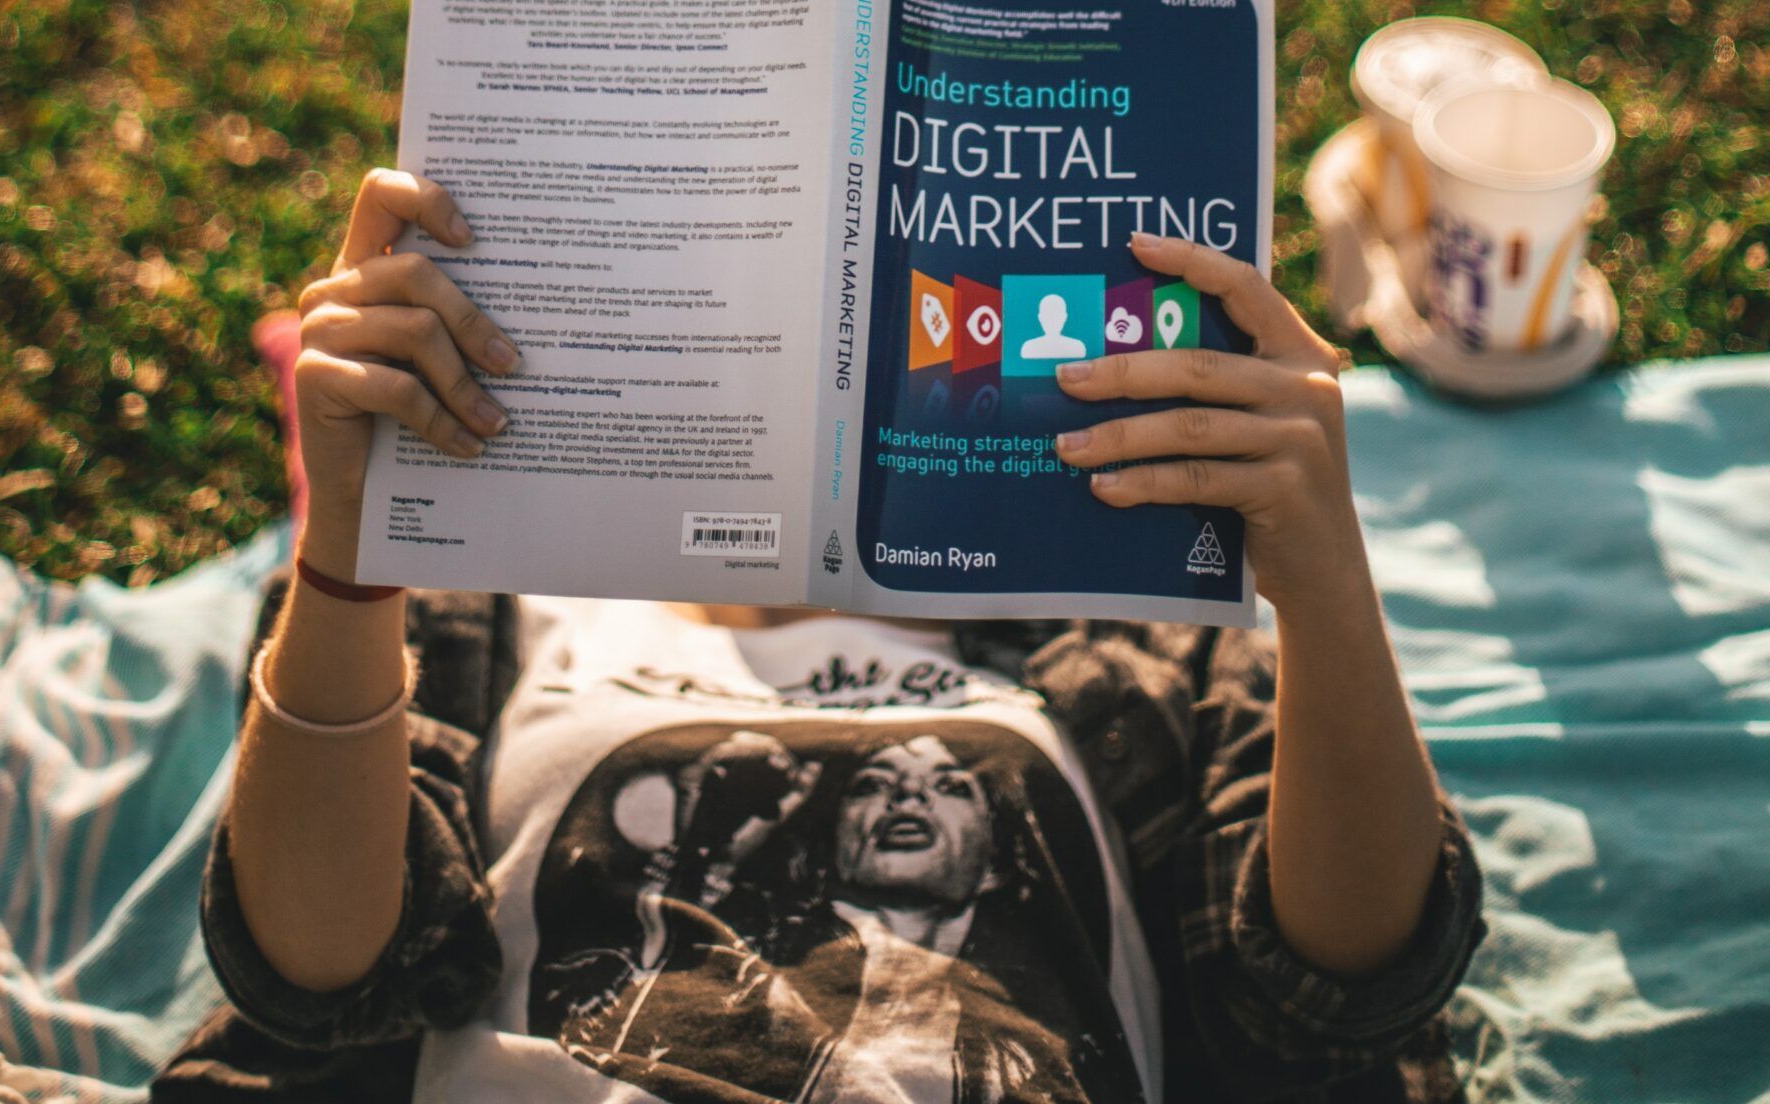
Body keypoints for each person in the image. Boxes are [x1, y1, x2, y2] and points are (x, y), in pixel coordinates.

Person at [157, 176, 1482, 1104]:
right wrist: (348, 548)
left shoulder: (1122, 618)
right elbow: (309, 973)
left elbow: (1344, 984)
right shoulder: (478, 601)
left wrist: (1326, 586)